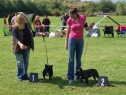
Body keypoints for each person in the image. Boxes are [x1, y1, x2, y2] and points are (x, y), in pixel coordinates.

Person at [11, 13, 45, 81]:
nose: (25, 20)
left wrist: (40, 33)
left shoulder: (27, 25)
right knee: (20, 62)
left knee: (26, 61)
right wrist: (20, 44)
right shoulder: (14, 28)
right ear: (19, 20)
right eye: (23, 20)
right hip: (18, 47)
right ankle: (20, 76)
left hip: (27, 46)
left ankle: (25, 74)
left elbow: (32, 33)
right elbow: (15, 37)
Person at [65, 7, 95, 84]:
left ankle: (79, 76)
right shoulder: (69, 20)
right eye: (70, 16)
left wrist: (91, 25)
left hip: (80, 41)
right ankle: (70, 77)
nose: (71, 17)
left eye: (73, 16)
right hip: (72, 40)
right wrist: (66, 43)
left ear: (76, 13)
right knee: (71, 60)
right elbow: (67, 32)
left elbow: (87, 29)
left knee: (78, 60)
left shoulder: (82, 18)